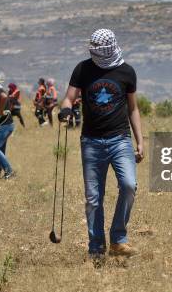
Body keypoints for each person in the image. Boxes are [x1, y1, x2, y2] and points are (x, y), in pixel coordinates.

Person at [58, 29, 144, 259]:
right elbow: (69, 97)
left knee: (128, 185)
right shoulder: (83, 69)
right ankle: (96, 247)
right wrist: (65, 109)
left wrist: (140, 141)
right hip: (92, 141)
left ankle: (118, 239)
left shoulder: (126, 71)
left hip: (120, 139)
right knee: (94, 197)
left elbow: (133, 109)